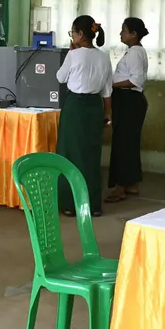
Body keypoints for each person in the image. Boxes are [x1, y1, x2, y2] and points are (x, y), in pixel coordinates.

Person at [55, 15, 113, 217]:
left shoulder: (74, 55)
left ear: (80, 35)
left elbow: (60, 77)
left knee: (70, 154)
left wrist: (71, 53)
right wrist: (108, 113)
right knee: (91, 155)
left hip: (75, 107)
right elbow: (107, 90)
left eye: (72, 32)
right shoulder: (104, 57)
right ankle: (93, 205)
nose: (72, 36)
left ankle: (71, 204)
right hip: (94, 107)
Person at [106, 18, 149, 203]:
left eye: (124, 30)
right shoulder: (133, 52)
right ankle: (131, 183)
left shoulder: (135, 53)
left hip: (129, 101)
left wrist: (112, 84)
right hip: (127, 100)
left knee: (123, 144)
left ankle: (120, 188)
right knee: (129, 143)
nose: (120, 34)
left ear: (133, 34)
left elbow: (135, 81)